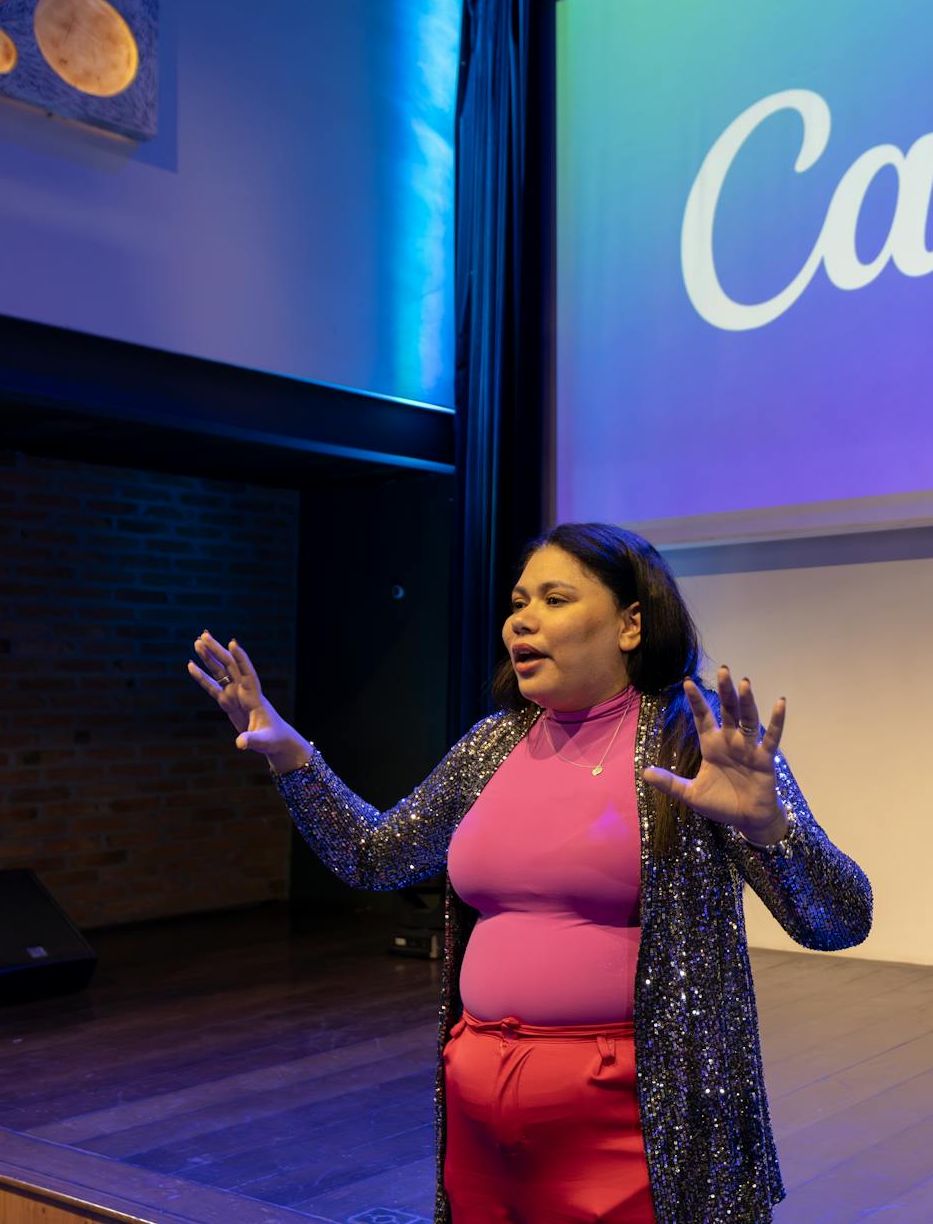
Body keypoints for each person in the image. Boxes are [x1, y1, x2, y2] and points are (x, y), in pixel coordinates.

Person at [186, 522, 872, 1224]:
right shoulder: (493, 742)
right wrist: (291, 754)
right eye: (519, 600)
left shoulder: (691, 742)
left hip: (633, 1127)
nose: (523, 617)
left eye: (554, 598)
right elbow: (374, 854)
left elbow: (842, 919)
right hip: (481, 1118)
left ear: (631, 624)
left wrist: (771, 830)